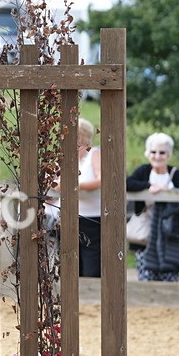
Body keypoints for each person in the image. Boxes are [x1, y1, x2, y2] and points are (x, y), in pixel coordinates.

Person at [126, 133, 179, 282]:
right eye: (153, 152)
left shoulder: (175, 174)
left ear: (168, 154)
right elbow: (128, 183)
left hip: (169, 234)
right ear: (148, 153)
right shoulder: (143, 171)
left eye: (162, 152)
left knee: (169, 277)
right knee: (146, 276)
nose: (157, 156)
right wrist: (149, 186)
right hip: (145, 234)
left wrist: (169, 192)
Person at [75, 118, 101, 277]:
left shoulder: (94, 154)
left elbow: (101, 179)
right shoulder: (65, 156)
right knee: (72, 264)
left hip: (92, 218)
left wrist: (77, 186)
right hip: (69, 216)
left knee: (92, 265)